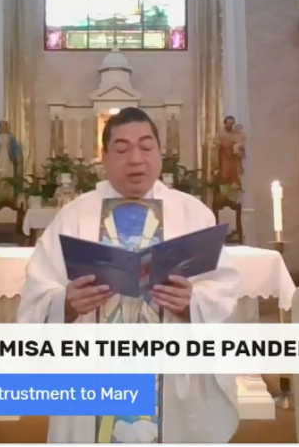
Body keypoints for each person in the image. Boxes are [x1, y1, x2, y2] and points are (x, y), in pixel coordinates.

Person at [18, 107, 241, 443]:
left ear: (160, 154)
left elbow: (224, 292)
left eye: (146, 147)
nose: (135, 159)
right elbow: (37, 290)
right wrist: (65, 303)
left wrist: (193, 302)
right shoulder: (74, 216)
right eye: (121, 150)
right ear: (104, 158)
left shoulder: (193, 213)